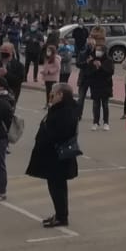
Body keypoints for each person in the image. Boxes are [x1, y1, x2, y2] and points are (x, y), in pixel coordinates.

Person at [26, 83, 79, 227]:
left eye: (53, 94)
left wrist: (46, 133)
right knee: (55, 186)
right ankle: (59, 213)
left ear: (61, 95)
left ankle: (62, 217)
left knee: (58, 187)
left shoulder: (66, 111)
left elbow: (61, 132)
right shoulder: (60, 108)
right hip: (53, 155)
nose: (51, 96)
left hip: (58, 156)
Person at [77, 33, 114, 130]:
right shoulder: (90, 57)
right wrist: (93, 65)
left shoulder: (108, 60)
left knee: (105, 104)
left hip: (105, 85)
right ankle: (95, 122)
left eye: (100, 51)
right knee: (95, 104)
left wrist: (100, 67)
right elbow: (87, 70)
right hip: (95, 84)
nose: (98, 52)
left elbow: (110, 71)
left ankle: (106, 122)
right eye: (97, 50)